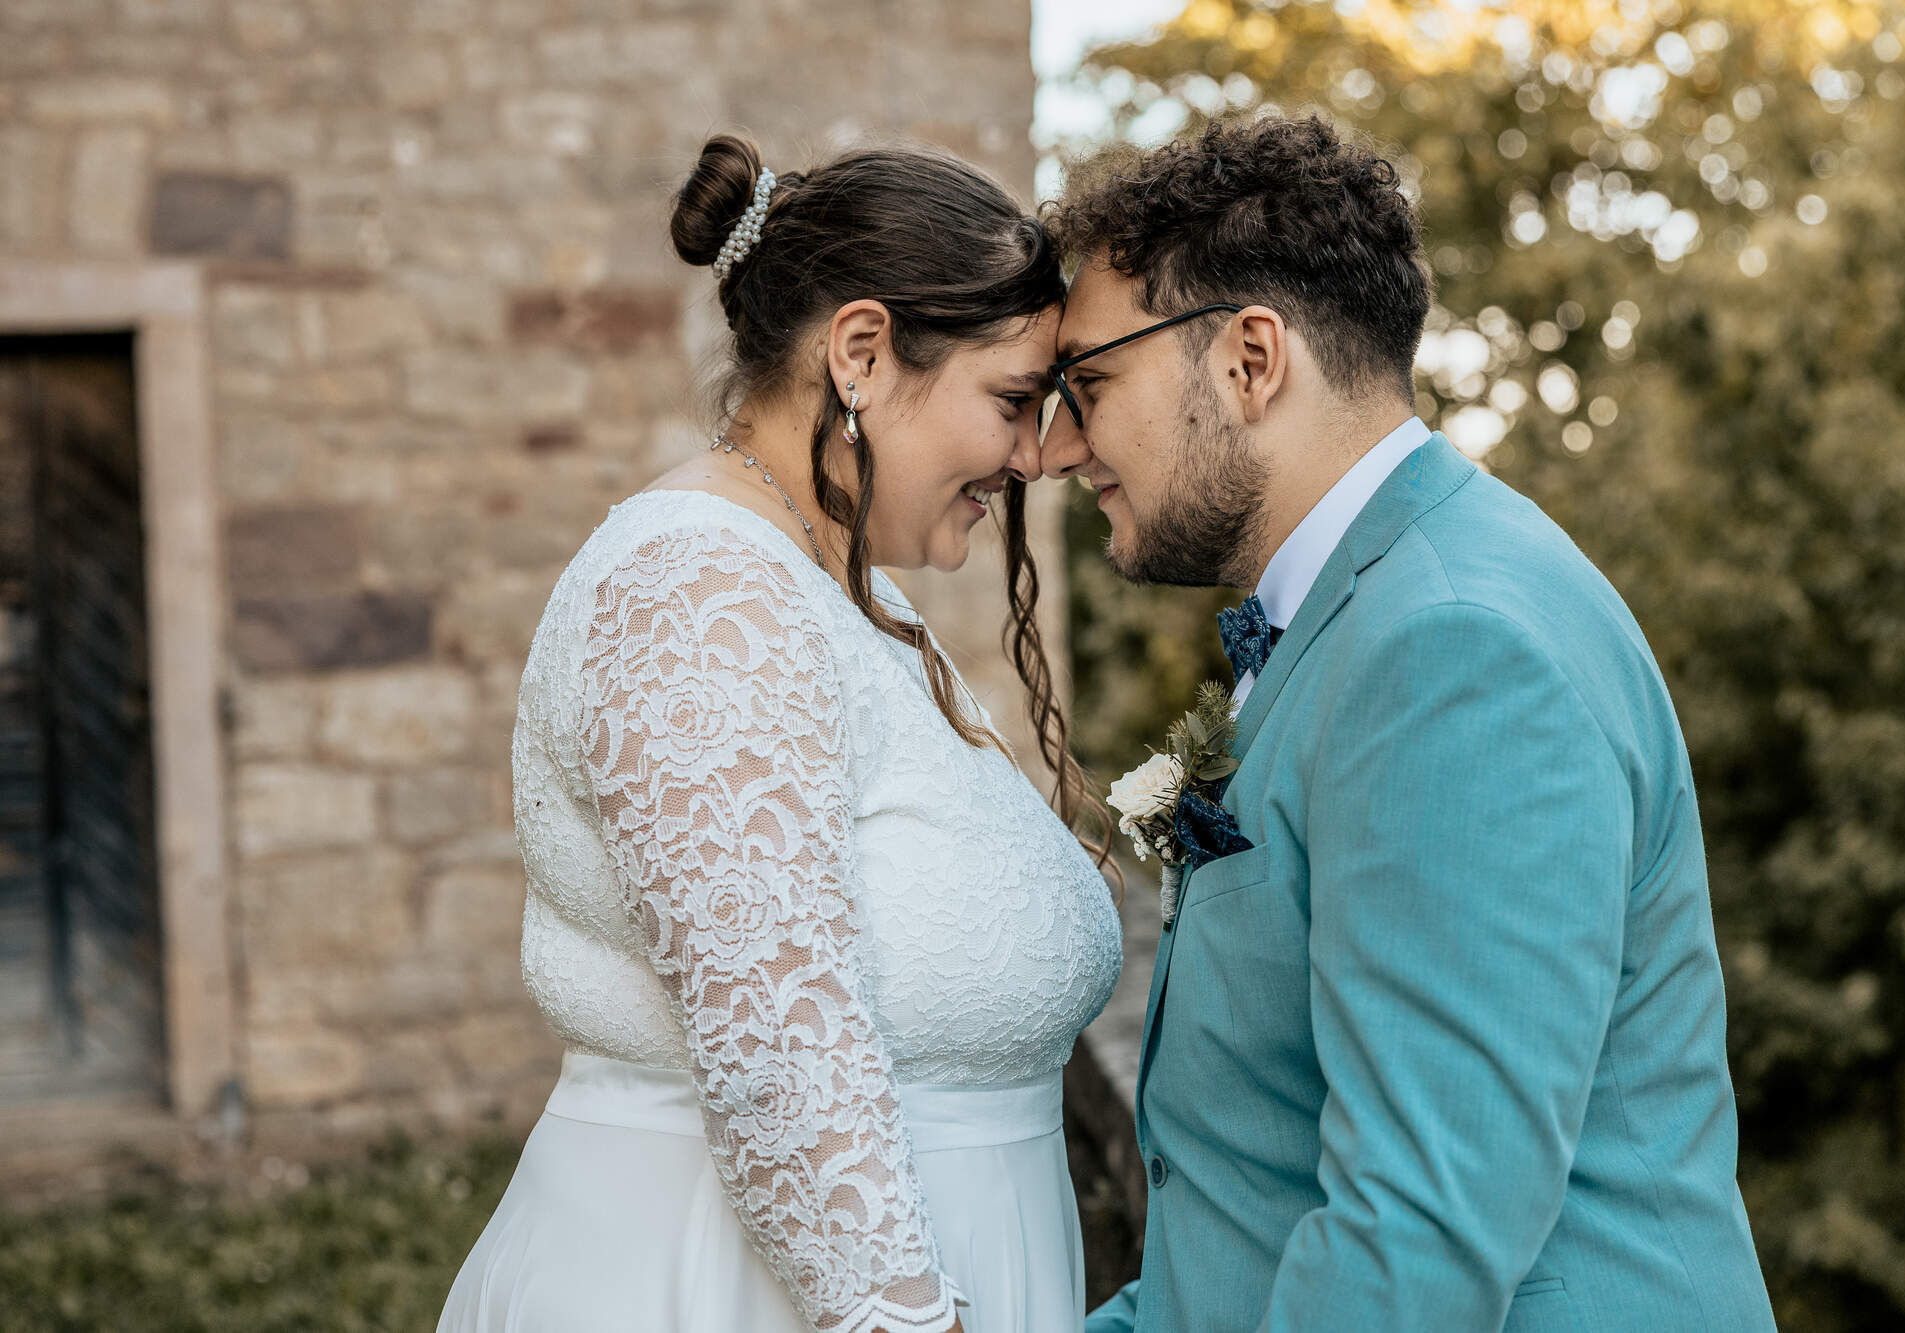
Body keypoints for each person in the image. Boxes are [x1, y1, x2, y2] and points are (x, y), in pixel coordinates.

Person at [1040, 116, 1777, 1332]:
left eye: (1090, 382)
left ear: (1248, 359)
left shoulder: (1452, 648)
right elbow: (1249, 1206)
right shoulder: (1367, 612)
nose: (1057, 446)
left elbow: (1417, 1237)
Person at [439, 134, 1122, 1333]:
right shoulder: (699, 595)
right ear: (859, 353)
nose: (1033, 456)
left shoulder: (821, 582)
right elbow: (776, 1054)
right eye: (1011, 401)